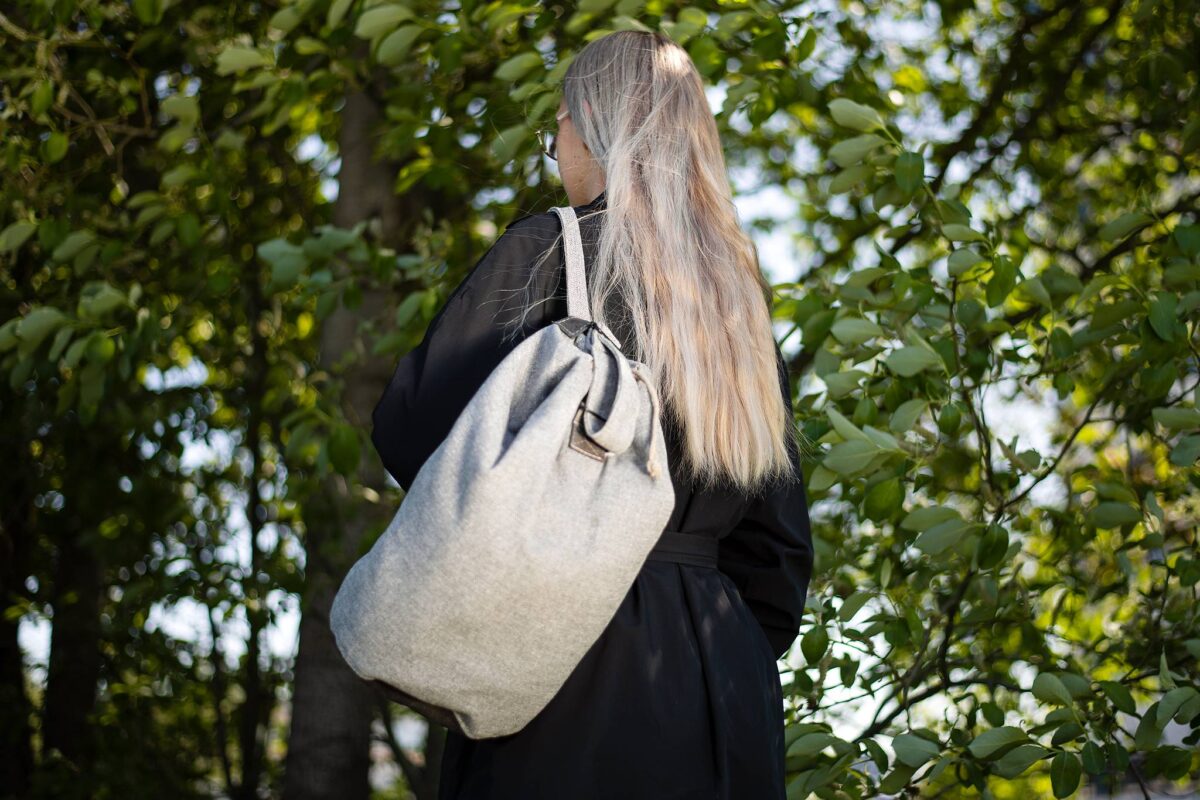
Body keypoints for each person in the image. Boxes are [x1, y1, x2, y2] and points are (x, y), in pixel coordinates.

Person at [369, 29, 815, 800]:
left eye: (557, 134)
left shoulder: (550, 250)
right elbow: (777, 554)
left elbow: (410, 431)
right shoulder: (737, 305)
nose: (557, 152)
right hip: (722, 691)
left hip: (563, 661)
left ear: (591, 127)